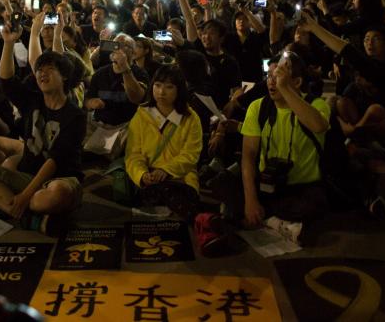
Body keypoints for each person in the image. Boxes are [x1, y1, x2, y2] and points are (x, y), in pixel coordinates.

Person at [0, 24, 86, 234]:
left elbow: (55, 161)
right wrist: (8, 43)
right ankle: (30, 219)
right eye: (40, 70)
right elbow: (6, 80)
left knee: (56, 194)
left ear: (65, 77)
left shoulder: (74, 115)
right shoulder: (31, 101)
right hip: (27, 177)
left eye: (50, 69)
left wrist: (24, 196)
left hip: (60, 179)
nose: (42, 73)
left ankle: (6, 207)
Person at [216, 53, 330, 233]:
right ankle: (277, 220)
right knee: (224, 182)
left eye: (278, 76)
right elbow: (249, 156)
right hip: (267, 183)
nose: (271, 81)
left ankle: (267, 218)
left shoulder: (316, 105)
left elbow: (318, 126)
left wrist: (285, 89)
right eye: (269, 76)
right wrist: (251, 199)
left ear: (297, 82)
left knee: (313, 204)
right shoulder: (258, 107)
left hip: (302, 187)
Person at [124, 65, 203, 221]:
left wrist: (167, 170)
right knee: (170, 197)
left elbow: (191, 154)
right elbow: (133, 154)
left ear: (179, 90)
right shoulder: (142, 115)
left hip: (181, 176)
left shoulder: (190, 118)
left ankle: (163, 196)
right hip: (150, 174)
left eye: (169, 87)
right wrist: (142, 174)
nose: (161, 92)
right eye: (157, 85)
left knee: (176, 191)